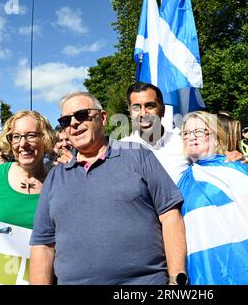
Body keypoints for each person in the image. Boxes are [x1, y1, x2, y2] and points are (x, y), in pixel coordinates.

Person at [29, 91, 187, 285]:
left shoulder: (139, 156)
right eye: (65, 120)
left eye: (81, 115)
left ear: (102, 118)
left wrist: (176, 279)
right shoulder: (55, 176)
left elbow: (170, 216)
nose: (74, 123)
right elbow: (43, 246)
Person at [177, 111, 248, 285]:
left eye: (200, 132)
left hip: (244, 269)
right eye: (186, 133)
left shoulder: (239, 170)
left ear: (216, 138)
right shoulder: (181, 179)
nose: (192, 138)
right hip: (202, 271)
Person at [121, 82, 242, 184]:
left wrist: (233, 159)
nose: (143, 113)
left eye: (150, 106)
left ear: (162, 110)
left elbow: (214, 166)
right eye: (136, 107)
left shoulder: (184, 143)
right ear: (130, 112)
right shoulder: (119, 152)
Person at [0, 110, 56, 229]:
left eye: (31, 135)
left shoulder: (61, 182)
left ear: (46, 138)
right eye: (16, 137)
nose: (22, 144)